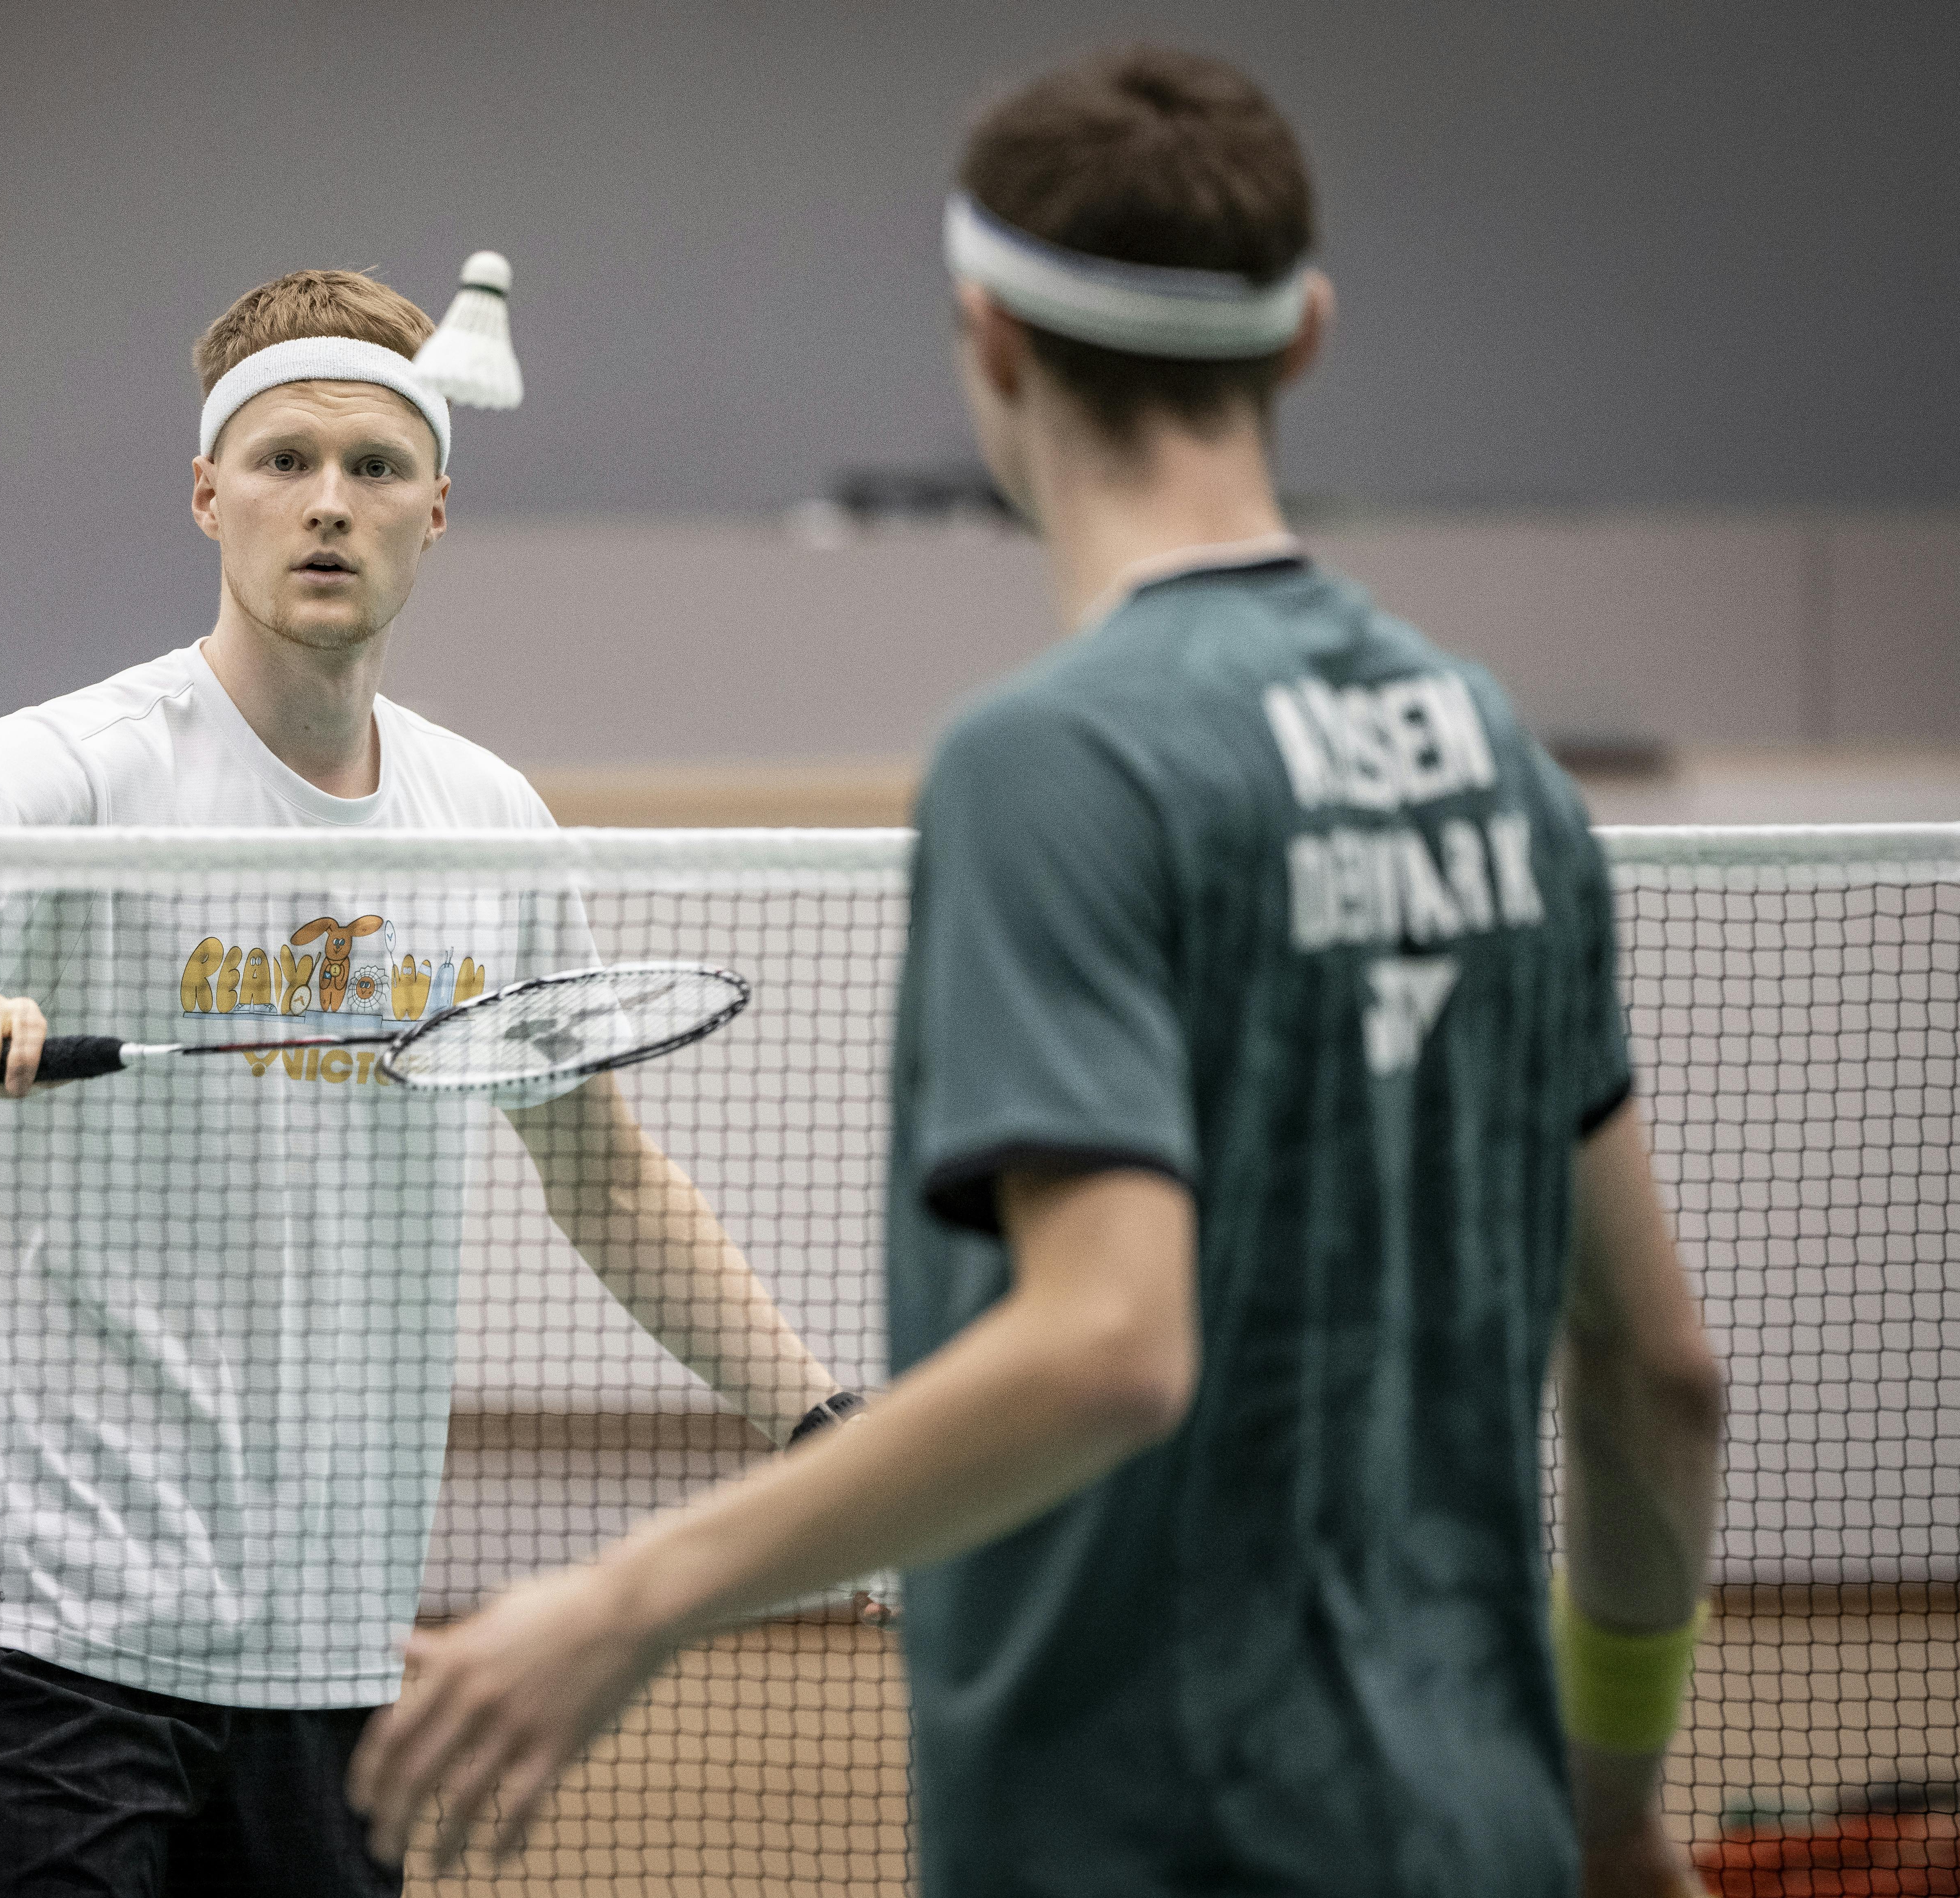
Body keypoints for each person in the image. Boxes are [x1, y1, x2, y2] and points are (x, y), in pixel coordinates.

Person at [347, 47, 1725, 1898]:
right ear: (1303, 335)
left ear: (986, 339)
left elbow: (1107, 1340)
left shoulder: (1056, 763)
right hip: (1483, 1824)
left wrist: (628, 1594)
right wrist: (1614, 1796)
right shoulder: (1491, 751)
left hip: (1150, 1833)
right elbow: (1660, 1373)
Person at [0, 263, 856, 1898]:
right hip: (42, 1621)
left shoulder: (487, 825)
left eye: (374, 466)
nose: (326, 503)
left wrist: (826, 1426)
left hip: (330, 1636)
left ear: (435, 510)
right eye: (282, 461)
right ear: (208, 495)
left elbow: (608, 1177)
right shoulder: (66, 767)